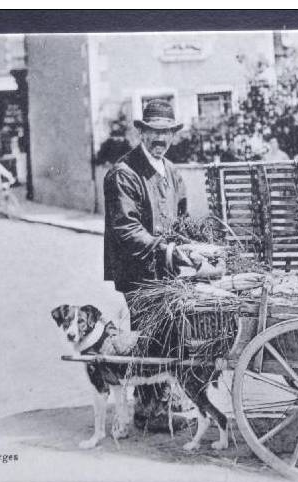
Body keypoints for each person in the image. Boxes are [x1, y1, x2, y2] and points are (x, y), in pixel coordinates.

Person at [103, 99, 193, 433]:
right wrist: (167, 249)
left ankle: (164, 398)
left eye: (166, 132)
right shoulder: (123, 174)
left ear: (173, 134)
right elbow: (126, 229)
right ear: (141, 132)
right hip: (137, 271)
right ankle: (147, 406)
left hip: (166, 270)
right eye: (153, 132)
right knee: (147, 336)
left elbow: (181, 219)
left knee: (170, 334)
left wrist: (190, 248)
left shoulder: (172, 171)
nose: (160, 138)